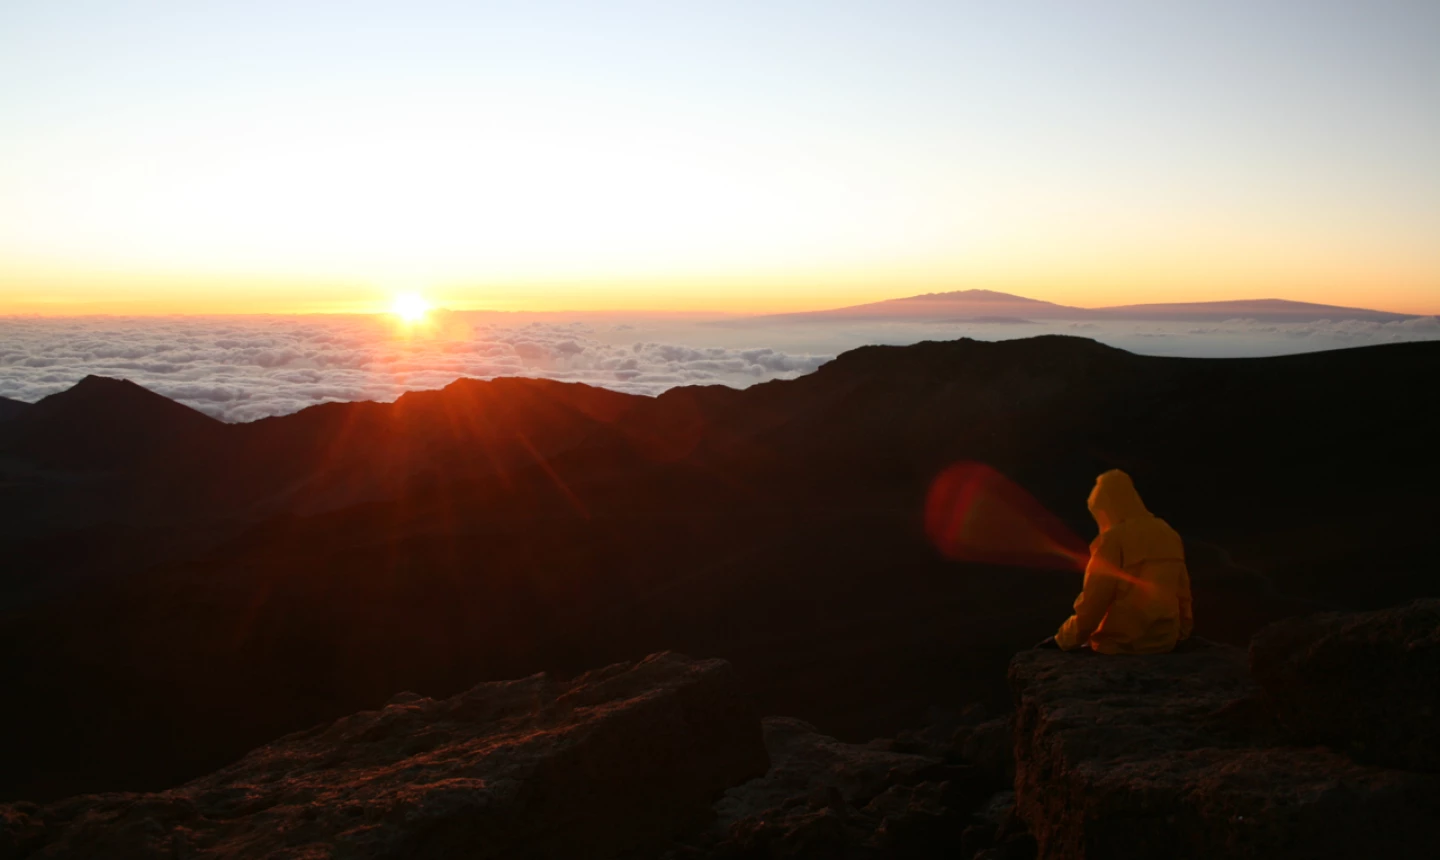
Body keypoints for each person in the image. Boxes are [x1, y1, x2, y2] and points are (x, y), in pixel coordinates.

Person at [1035, 469, 1192, 654]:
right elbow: (1183, 592)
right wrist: (1182, 633)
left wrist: (1064, 639)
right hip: (1165, 641)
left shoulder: (1112, 540)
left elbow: (1094, 601)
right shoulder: (1168, 533)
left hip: (1122, 645)